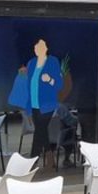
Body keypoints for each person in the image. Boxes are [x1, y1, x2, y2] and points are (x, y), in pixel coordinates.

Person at [26, 38, 63, 166]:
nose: (38, 49)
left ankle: (32, 162)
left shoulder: (53, 62)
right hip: (34, 104)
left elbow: (59, 84)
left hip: (47, 105)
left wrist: (50, 80)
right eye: (36, 47)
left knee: (39, 131)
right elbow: (28, 86)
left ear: (46, 49)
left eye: (41, 47)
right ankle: (50, 158)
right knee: (42, 131)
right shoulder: (31, 63)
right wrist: (28, 108)